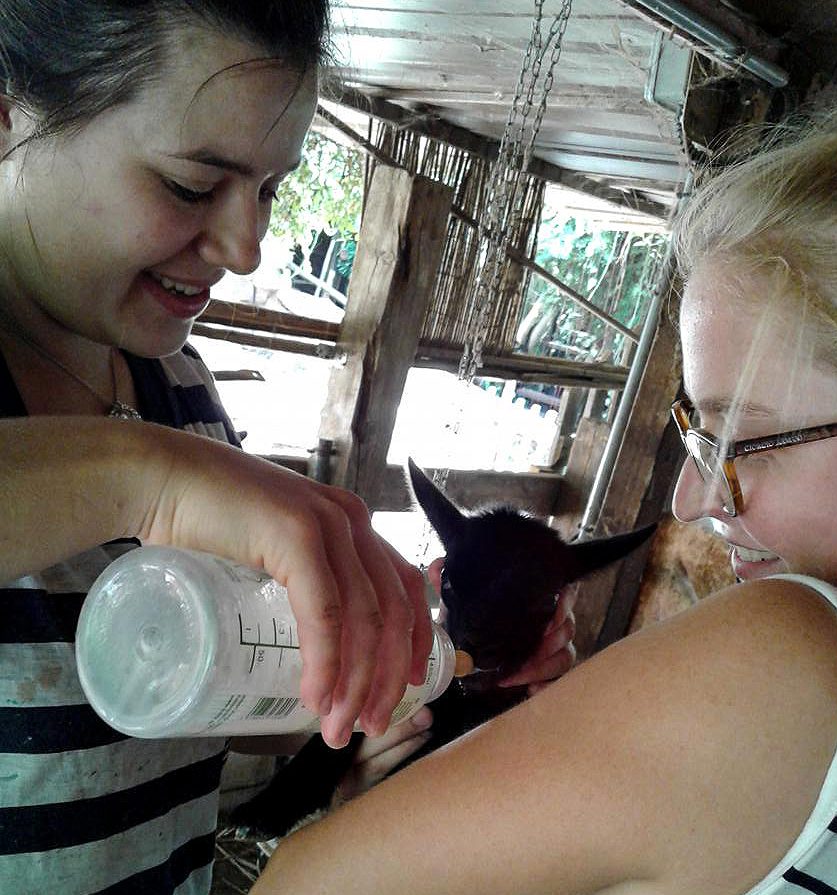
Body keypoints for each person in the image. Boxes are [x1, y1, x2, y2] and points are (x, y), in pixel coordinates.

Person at [0, 3, 576, 893]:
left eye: (269, 189)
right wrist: (150, 478)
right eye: (193, 187)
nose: (246, 248)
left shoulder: (175, 386)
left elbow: (215, 712)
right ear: (8, 111)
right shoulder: (166, 452)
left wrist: (371, 665)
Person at [251, 107, 837, 895]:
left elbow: (298, 886)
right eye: (696, 437)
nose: (690, 498)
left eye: (738, 442)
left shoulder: (795, 655)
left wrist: (352, 822)